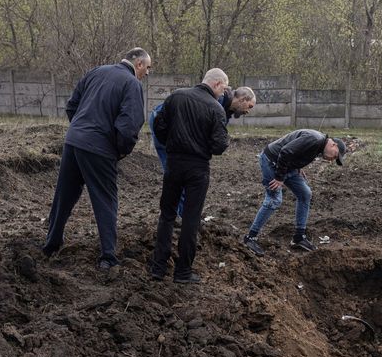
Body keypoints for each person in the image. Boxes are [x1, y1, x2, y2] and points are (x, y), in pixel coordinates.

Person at [42, 47, 151, 271]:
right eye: (147, 68)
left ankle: (51, 243)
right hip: (100, 148)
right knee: (105, 199)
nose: (147, 73)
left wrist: (81, 130)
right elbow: (130, 124)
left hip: (73, 141)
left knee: (64, 194)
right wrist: (120, 150)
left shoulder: (96, 71)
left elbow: (72, 105)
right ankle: (108, 257)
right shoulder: (132, 84)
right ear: (138, 64)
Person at [148, 68, 230, 284]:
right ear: (216, 84)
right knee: (191, 220)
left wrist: (172, 144)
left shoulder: (176, 97)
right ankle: (183, 272)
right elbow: (220, 145)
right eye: (224, 88)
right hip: (198, 167)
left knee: (167, 215)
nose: (224, 93)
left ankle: (158, 268)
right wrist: (204, 145)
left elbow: (159, 126)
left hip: (174, 163)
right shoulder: (216, 109)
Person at [147, 86, 256, 216]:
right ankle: (178, 216)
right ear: (242, 99)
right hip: (163, 122)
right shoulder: (216, 102)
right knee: (177, 171)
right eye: (249, 106)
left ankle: (181, 215)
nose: (248, 111)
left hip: (174, 127)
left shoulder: (225, 108)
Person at [243, 129, 346, 257]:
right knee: (274, 200)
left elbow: (297, 151)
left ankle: (298, 237)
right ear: (333, 145)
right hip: (272, 162)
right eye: (335, 155)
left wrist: (298, 167)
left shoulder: (318, 145)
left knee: (305, 194)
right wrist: (280, 178)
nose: (332, 159)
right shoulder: (315, 139)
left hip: (287, 166)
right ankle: (250, 238)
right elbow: (285, 151)